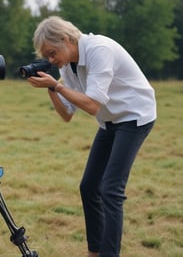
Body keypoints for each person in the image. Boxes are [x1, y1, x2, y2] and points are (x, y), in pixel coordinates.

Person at [27, 16, 156, 257]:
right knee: (89, 187)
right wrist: (51, 87)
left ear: (66, 39)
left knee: (110, 189)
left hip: (135, 116)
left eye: (52, 53)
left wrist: (57, 86)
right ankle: (94, 252)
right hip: (110, 121)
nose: (52, 61)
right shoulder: (68, 65)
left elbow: (93, 105)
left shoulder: (99, 50)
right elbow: (67, 113)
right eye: (47, 57)